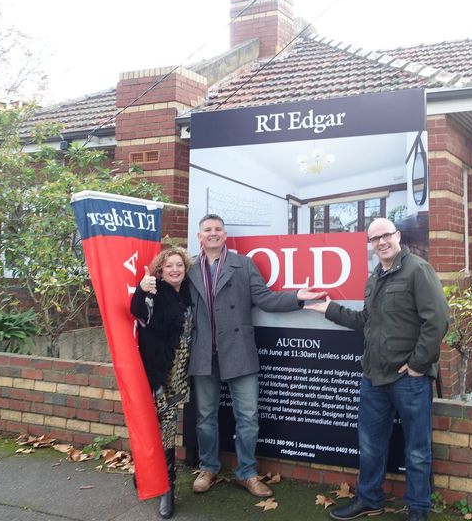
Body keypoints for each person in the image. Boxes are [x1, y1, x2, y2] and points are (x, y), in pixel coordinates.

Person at [304, 218, 449, 521]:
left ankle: (418, 510)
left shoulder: (418, 270)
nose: (381, 242)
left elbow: (437, 319)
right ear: (370, 244)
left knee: (417, 450)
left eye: (386, 235)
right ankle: (369, 500)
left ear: (398, 236)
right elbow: (365, 321)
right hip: (374, 377)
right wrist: (329, 309)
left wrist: (418, 364)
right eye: (375, 238)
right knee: (370, 446)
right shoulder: (375, 278)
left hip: (409, 379)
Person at [186, 213, 325, 498]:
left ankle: (247, 473)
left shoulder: (244, 264)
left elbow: (265, 299)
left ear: (225, 235)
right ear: (200, 236)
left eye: (218, 229)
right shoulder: (189, 269)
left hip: (239, 351)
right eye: (207, 229)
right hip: (203, 354)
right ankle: (208, 468)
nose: (213, 233)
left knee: (248, 417)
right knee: (204, 417)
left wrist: (297, 297)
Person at [131, 247, 194, 519]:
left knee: (165, 426)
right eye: (169, 266)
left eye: (179, 265)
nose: (175, 270)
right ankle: (167, 487)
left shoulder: (189, 293)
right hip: (162, 374)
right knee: (164, 428)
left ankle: (145, 472)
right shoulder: (155, 292)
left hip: (183, 373)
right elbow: (137, 311)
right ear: (161, 270)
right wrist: (141, 290)